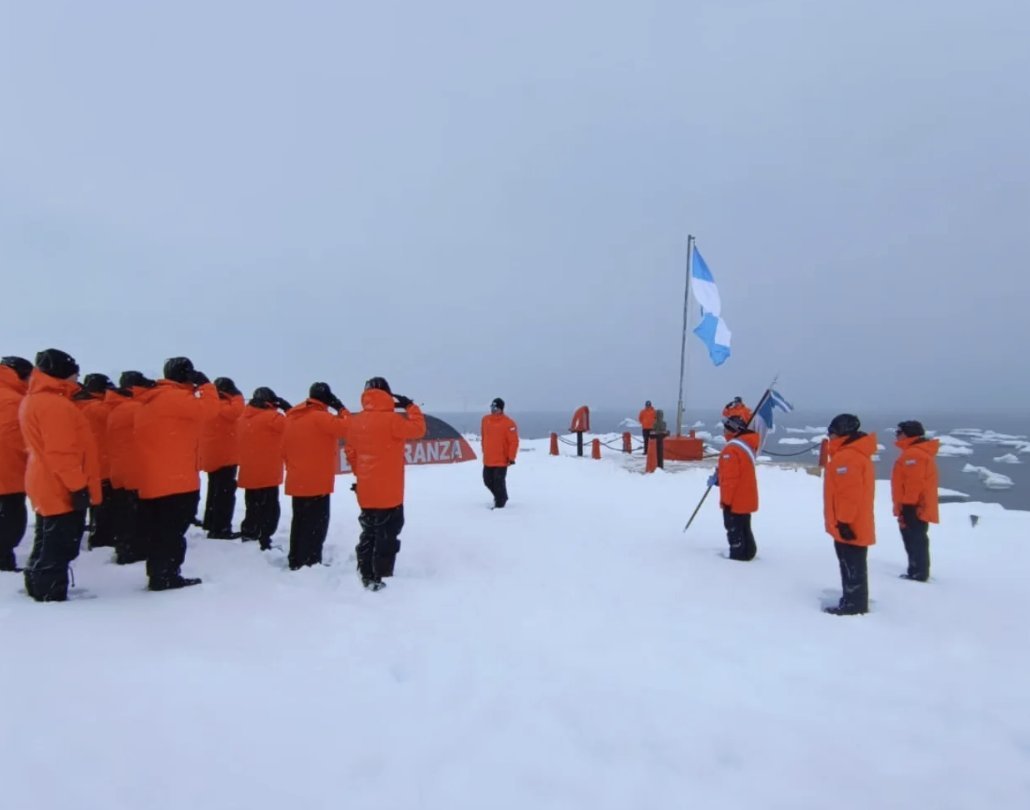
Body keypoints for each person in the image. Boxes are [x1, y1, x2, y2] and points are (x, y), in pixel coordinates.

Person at [18, 349, 101, 601]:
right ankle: (49, 591)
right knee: (59, 543)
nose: (78, 378)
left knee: (46, 537)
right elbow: (62, 452)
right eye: (75, 373)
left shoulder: (36, 399)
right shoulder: (56, 405)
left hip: (45, 478)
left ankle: (38, 582)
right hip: (59, 483)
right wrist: (77, 486)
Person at [134, 357, 219, 591]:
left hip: (153, 477)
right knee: (171, 532)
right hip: (176, 479)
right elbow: (211, 411)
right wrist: (207, 386)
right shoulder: (176, 398)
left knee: (160, 530)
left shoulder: (150, 399)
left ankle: (158, 571)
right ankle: (166, 575)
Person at [343, 377, 426, 591]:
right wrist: (411, 406)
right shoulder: (392, 420)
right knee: (388, 533)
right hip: (389, 491)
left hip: (366, 488)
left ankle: (365, 569)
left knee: (369, 531)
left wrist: (361, 472)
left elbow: (350, 451)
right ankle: (380, 573)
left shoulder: (356, 421)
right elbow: (418, 429)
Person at [283, 382, 349, 569]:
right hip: (317, 482)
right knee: (316, 526)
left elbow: (283, 448)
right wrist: (341, 408)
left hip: (297, 479)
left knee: (299, 523)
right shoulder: (321, 417)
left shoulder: (291, 417)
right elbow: (347, 428)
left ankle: (295, 559)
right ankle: (311, 561)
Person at [822, 413, 877, 615]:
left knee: (851, 565)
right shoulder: (850, 454)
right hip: (853, 521)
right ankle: (852, 600)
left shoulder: (848, 458)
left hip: (850, 524)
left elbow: (848, 495)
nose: (830, 436)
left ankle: (854, 604)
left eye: (832, 432)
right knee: (851, 564)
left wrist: (844, 522)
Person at [106, 371, 156, 565]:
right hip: (136, 469)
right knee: (137, 515)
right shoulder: (136, 409)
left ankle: (125, 547)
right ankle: (133, 550)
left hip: (120, 467)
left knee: (124, 512)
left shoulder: (117, 408)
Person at [238, 387, 291, 550]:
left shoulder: (243, 417)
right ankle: (264, 539)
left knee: (252, 507)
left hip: (249, 471)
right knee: (269, 510)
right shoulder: (273, 418)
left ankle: (249, 534)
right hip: (268, 473)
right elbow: (295, 425)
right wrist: (287, 408)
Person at [73, 373, 120, 549]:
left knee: (80, 505)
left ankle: (80, 536)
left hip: (79, 464)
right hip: (103, 465)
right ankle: (101, 539)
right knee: (103, 507)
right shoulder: (101, 409)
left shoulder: (73, 405)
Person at [891, 420, 940, 582]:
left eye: (899, 432)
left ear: (908, 434)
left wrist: (909, 506)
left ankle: (918, 572)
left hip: (915, 507)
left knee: (915, 539)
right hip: (915, 505)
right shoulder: (915, 452)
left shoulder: (913, 454)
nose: (896, 435)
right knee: (915, 538)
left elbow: (914, 483)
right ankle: (916, 570)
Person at [707, 415, 759, 561]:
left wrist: (727, 502)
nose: (723, 432)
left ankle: (738, 558)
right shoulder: (745, 446)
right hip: (746, 498)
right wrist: (718, 479)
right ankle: (749, 552)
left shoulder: (731, 449)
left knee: (735, 531)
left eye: (725, 429)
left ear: (732, 430)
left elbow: (730, 480)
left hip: (735, 500)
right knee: (745, 528)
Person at [199, 376, 245, 539]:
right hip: (225, 456)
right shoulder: (226, 408)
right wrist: (237, 396)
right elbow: (237, 411)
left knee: (214, 491)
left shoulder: (208, 407)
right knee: (224, 495)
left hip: (211, 455)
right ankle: (220, 528)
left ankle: (210, 522)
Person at [0, 356, 32, 571]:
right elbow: (16, 440)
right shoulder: (12, 399)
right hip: (8, 471)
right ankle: (3, 561)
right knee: (12, 520)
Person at [481, 397, 519, 509]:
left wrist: (511, 457)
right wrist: (484, 449)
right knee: (487, 481)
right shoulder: (485, 420)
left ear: (501, 409)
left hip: (502, 459)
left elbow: (514, 442)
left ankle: (500, 503)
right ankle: (501, 497)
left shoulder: (509, 423)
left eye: (496, 407)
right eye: (492, 407)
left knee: (498, 482)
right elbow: (484, 437)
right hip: (488, 458)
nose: (493, 409)